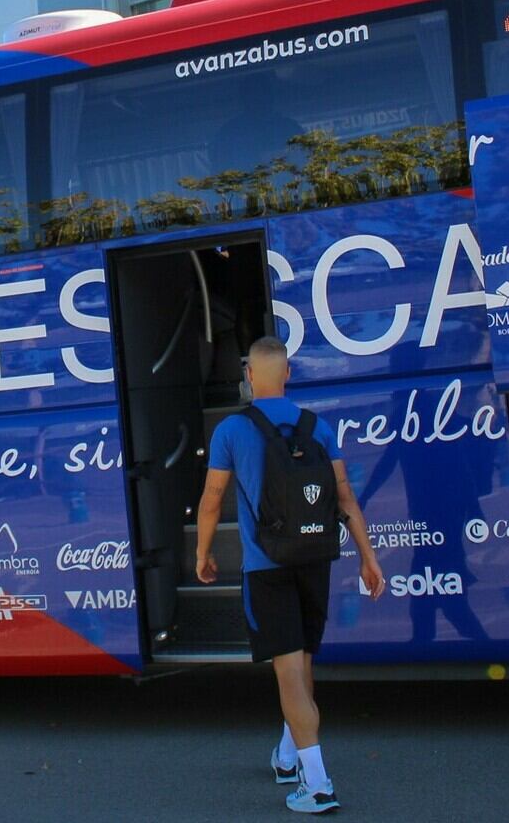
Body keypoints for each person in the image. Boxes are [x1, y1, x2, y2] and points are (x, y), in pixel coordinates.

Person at [195, 336, 386, 815]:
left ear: (250, 378)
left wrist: (203, 552)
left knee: (288, 673)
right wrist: (369, 557)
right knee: (302, 663)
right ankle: (287, 756)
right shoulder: (317, 427)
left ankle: (317, 783)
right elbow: (345, 498)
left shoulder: (232, 430)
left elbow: (213, 500)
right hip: (315, 558)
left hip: (267, 565)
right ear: (287, 375)